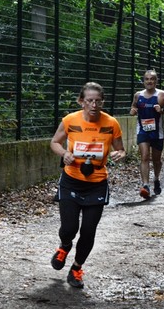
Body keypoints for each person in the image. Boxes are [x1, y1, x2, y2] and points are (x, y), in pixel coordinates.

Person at [49, 82, 127, 289]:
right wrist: (64, 153)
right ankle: (65, 246)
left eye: (98, 101)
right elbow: (54, 142)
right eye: (90, 100)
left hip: (96, 184)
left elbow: (120, 148)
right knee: (69, 228)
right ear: (81, 101)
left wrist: (120, 153)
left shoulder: (111, 123)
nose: (94, 104)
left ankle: (76, 268)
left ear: (102, 102)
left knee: (88, 231)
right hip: (71, 180)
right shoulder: (70, 120)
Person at [130, 70, 164, 199]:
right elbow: (133, 108)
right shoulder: (138, 95)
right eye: (147, 79)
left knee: (156, 160)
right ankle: (145, 185)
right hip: (143, 131)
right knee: (144, 156)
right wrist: (133, 111)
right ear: (144, 81)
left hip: (157, 133)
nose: (149, 81)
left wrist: (162, 110)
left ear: (156, 81)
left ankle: (156, 178)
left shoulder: (162, 95)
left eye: (152, 79)